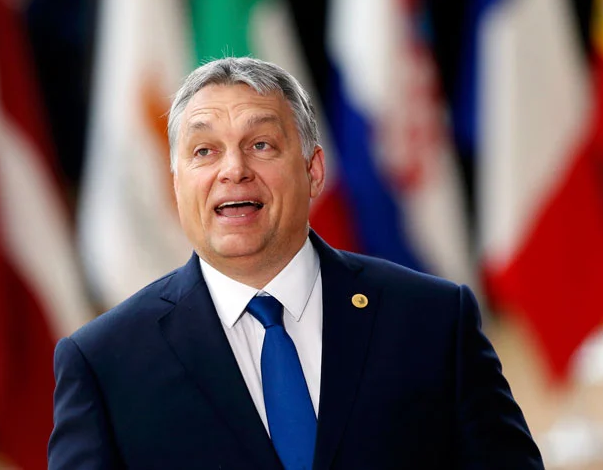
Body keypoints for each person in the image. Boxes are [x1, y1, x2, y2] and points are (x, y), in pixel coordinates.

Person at [48, 57, 544, 469]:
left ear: (314, 171)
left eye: (261, 145)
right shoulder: (103, 364)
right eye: (205, 151)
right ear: (175, 184)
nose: (234, 169)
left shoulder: (433, 320)